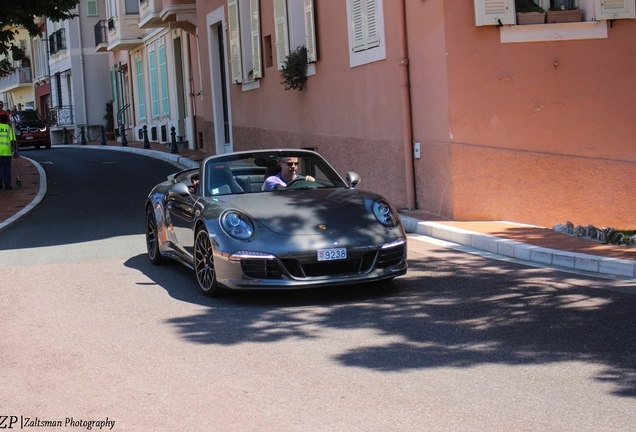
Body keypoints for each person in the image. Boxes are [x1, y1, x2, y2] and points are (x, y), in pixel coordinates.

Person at [0, 113, 17, 190]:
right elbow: (13, 141)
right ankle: (7, 185)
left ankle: (0, 179)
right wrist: (15, 151)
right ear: (7, 120)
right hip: (7, 151)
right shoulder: (10, 129)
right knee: (7, 168)